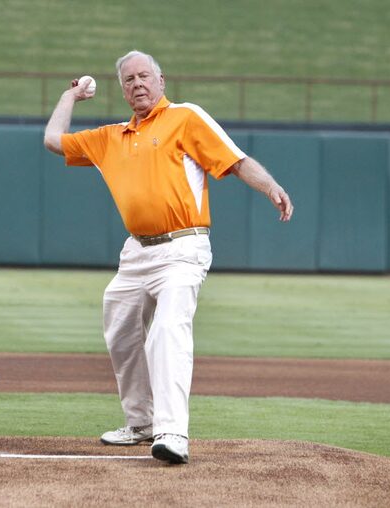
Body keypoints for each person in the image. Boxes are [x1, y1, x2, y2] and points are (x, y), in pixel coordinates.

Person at [43, 50, 293, 464]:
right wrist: (69, 98)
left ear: (161, 80)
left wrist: (269, 187)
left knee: (168, 331)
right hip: (136, 252)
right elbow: (54, 141)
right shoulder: (110, 138)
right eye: (128, 80)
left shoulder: (185, 117)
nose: (137, 84)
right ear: (123, 90)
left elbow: (235, 160)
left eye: (144, 76)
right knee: (120, 330)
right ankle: (140, 422)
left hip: (182, 248)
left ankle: (172, 432)